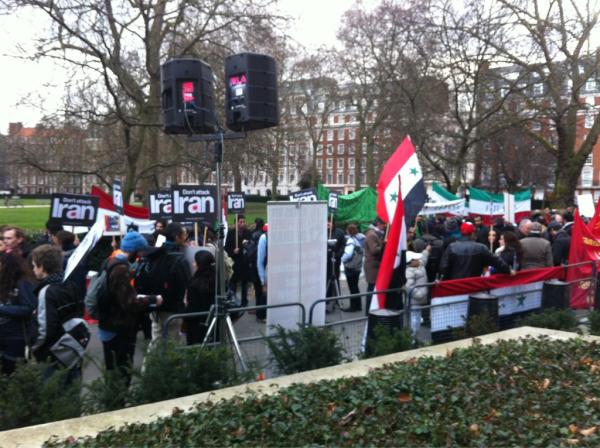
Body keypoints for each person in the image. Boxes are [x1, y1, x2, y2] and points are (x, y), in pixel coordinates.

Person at [97, 231, 157, 384]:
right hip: (118, 325)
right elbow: (128, 302)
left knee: (112, 368)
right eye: (140, 250)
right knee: (122, 369)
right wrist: (152, 300)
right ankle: (119, 397)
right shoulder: (120, 270)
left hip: (107, 322)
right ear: (134, 250)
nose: (141, 254)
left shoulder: (110, 261)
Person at [30, 244, 88, 382]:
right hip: (73, 347)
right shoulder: (70, 284)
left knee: (53, 388)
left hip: (53, 354)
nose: (33, 270)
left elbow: (45, 328)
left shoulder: (46, 291)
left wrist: (34, 348)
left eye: (34, 266)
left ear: (42, 267)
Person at [135, 223, 191, 343]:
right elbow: (186, 283)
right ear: (177, 237)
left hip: (154, 303)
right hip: (172, 307)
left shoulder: (154, 252)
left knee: (156, 338)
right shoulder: (178, 258)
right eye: (183, 234)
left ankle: (152, 356)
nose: (185, 237)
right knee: (172, 341)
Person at [0, 253, 37, 375]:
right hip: (4, 335)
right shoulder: (5, 282)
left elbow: (28, 308)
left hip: (16, 337)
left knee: (12, 372)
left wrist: (3, 309)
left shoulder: (23, 283)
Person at [439, 222, 511, 280]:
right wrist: (508, 271)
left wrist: (446, 281)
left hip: (456, 285)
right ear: (473, 233)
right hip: (474, 284)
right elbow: (496, 262)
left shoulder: (452, 247)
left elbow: (444, 267)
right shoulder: (481, 248)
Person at [185, 250, 216, 345]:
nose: (193, 264)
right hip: (213, 321)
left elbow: (191, 305)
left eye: (195, 262)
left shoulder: (194, 283)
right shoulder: (217, 279)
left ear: (200, 264)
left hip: (196, 323)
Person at [225, 215, 253, 307]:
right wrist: (233, 251)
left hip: (244, 262)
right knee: (233, 283)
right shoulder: (231, 233)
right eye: (240, 222)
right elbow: (226, 248)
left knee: (245, 283)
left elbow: (251, 246)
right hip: (235, 262)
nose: (242, 224)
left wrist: (245, 246)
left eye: (243, 222)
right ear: (236, 223)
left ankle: (244, 302)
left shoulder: (248, 232)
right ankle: (233, 302)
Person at [405, 248, 431, 336]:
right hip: (414, 301)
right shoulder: (408, 272)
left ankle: (415, 337)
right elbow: (408, 286)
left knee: (417, 319)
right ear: (410, 262)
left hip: (418, 300)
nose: (418, 259)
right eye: (416, 259)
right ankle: (412, 338)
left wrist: (426, 251)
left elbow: (423, 258)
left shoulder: (419, 265)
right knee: (414, 320)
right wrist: (420, 295)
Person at [363, 217, 386, 313]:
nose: (384, 226)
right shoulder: (372, 235)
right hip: (372, 266)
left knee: (373, 288)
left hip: (374, 265)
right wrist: (384, 244)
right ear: (378, 224)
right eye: (383, 224)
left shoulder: (375, 234)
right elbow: (374, 250)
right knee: (372, 288)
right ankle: (369, 311)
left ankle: (371, 310)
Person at [340, 224, 365, 312]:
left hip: (350, 266)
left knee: (352, 288)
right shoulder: (361, 238)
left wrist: (341, 260)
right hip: (358, 266)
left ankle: (353, 307)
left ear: (349, 231)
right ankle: (358, 306)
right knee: (356, 287)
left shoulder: (351, 240)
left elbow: (348, 254)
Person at [326, 220, 346, 299]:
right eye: (326, 222)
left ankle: (337, 297)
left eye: (329, 222)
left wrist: (338, 254)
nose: (328, 224)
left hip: (336, 260)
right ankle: (327, 297)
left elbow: (343, 245)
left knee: (335, 277)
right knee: (326, 278)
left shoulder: (339, 232)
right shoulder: (323, 232)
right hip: (325, 260)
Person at [256, 223, 268, 322]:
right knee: (265, 294)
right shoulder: (264, 238)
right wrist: (262, 279)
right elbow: (260, 261)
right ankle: (261, 316)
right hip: (267, 271)